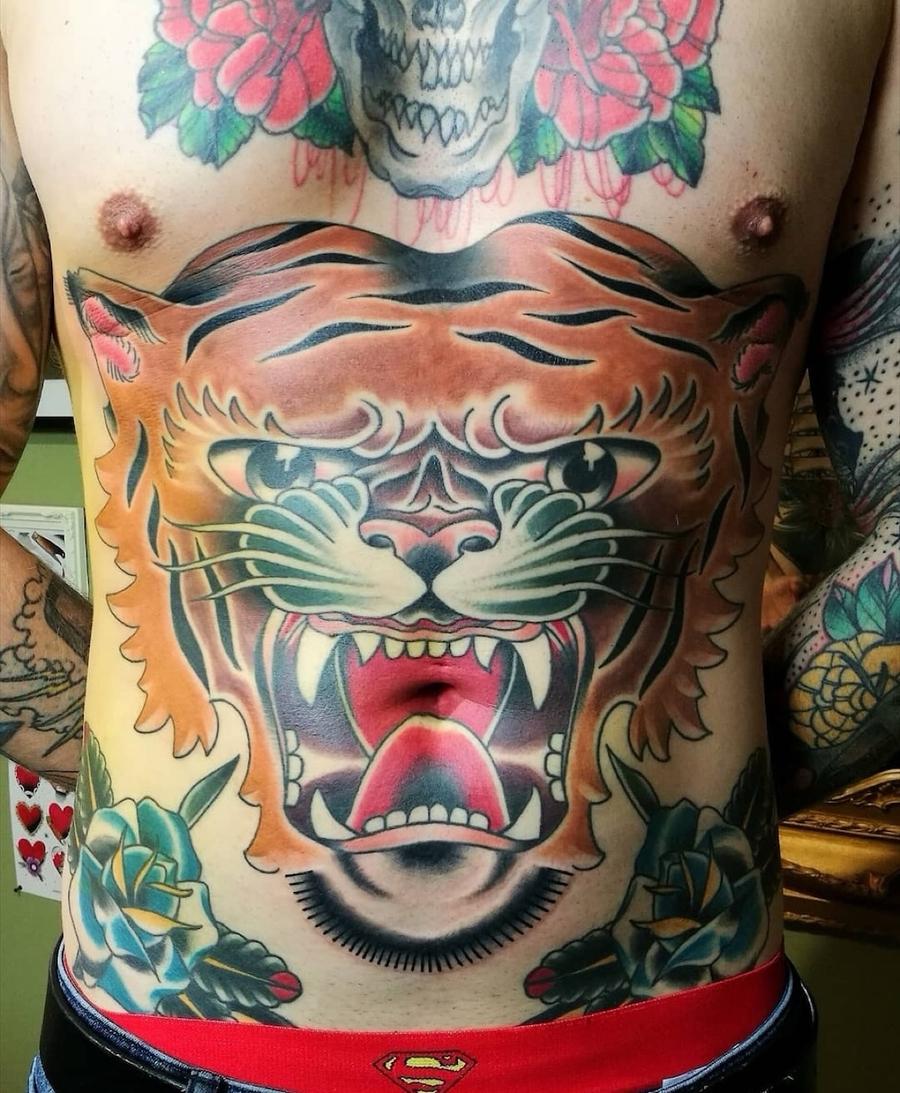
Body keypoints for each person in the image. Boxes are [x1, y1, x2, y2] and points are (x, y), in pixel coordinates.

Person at [1, 2, 897, 1090]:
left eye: (581, 465)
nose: (432, 529)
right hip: (160, 1041)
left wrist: (693, 741)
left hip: (684, 1040)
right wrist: (169, 735)